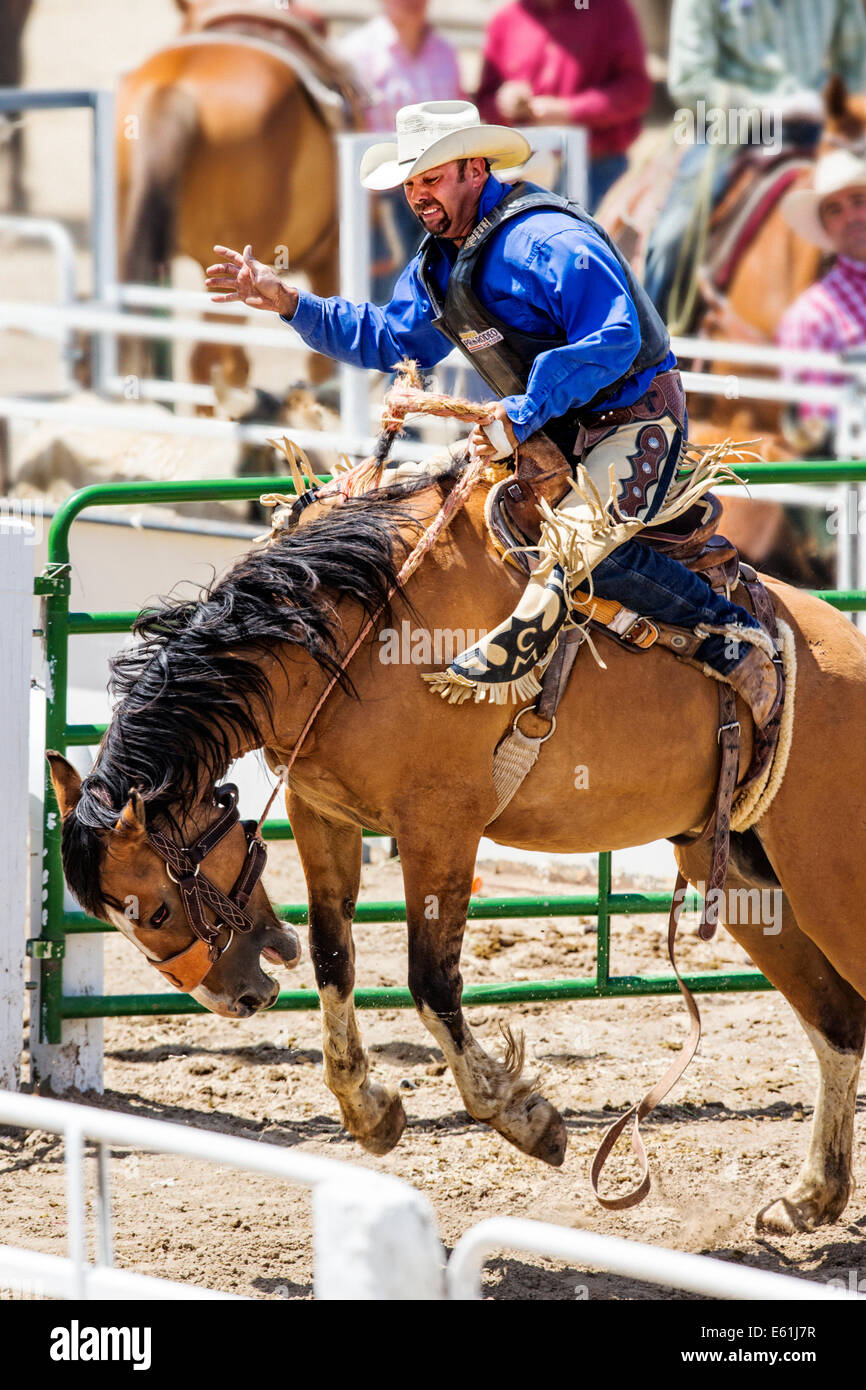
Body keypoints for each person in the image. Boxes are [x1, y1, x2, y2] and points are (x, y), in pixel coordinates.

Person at [205, 100, 781, 726]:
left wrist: (526, 408)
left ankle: (732, 635)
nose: (418, 195)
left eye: (431, 178)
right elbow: (393, 338)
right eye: (411, 182)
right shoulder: (440, 261)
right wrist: (290, 301)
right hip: (539, 428)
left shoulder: (550, 241)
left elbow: (613, 339)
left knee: (578, 545)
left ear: (475, 169)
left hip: (633, 421)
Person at [644, 0, 866, 321]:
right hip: (730, 129)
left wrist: (841, 112)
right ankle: (650, 347)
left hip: (820, 127)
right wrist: (767, 111)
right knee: (674, 235)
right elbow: (690, 80)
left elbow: (856, 64)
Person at [337, 0, 462, 300]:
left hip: (441, 194)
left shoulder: (446, 52)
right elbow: (342, 133)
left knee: (440, 293)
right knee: (386, 298)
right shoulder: (353, 54)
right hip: (381, 199)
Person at [474, 0, 652, 211]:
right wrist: (504, 102)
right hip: (520, 175)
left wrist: (568, 111)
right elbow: (485, 99)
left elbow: (635, 90)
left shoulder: (611, 10)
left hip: (598, 170)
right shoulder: (506, 18)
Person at [777, 148, 866, 448]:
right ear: (826, 227)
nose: (851, 217)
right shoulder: (813, 314)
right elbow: (820, 430)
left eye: (858, 202)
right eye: (835, 209)